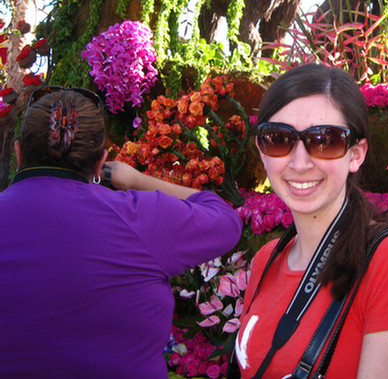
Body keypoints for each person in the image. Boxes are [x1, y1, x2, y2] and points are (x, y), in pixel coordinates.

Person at [0, 86, 242, 379]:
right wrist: (138, 180)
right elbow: (225, 221)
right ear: (101, 161)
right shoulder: (138, 216)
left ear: (18, 151)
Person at [233, 63, 388, 379]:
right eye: (279, 138)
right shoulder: (265, 261)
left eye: (325, 139)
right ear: (262, 150)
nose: (300, 163)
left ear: (356, 154)